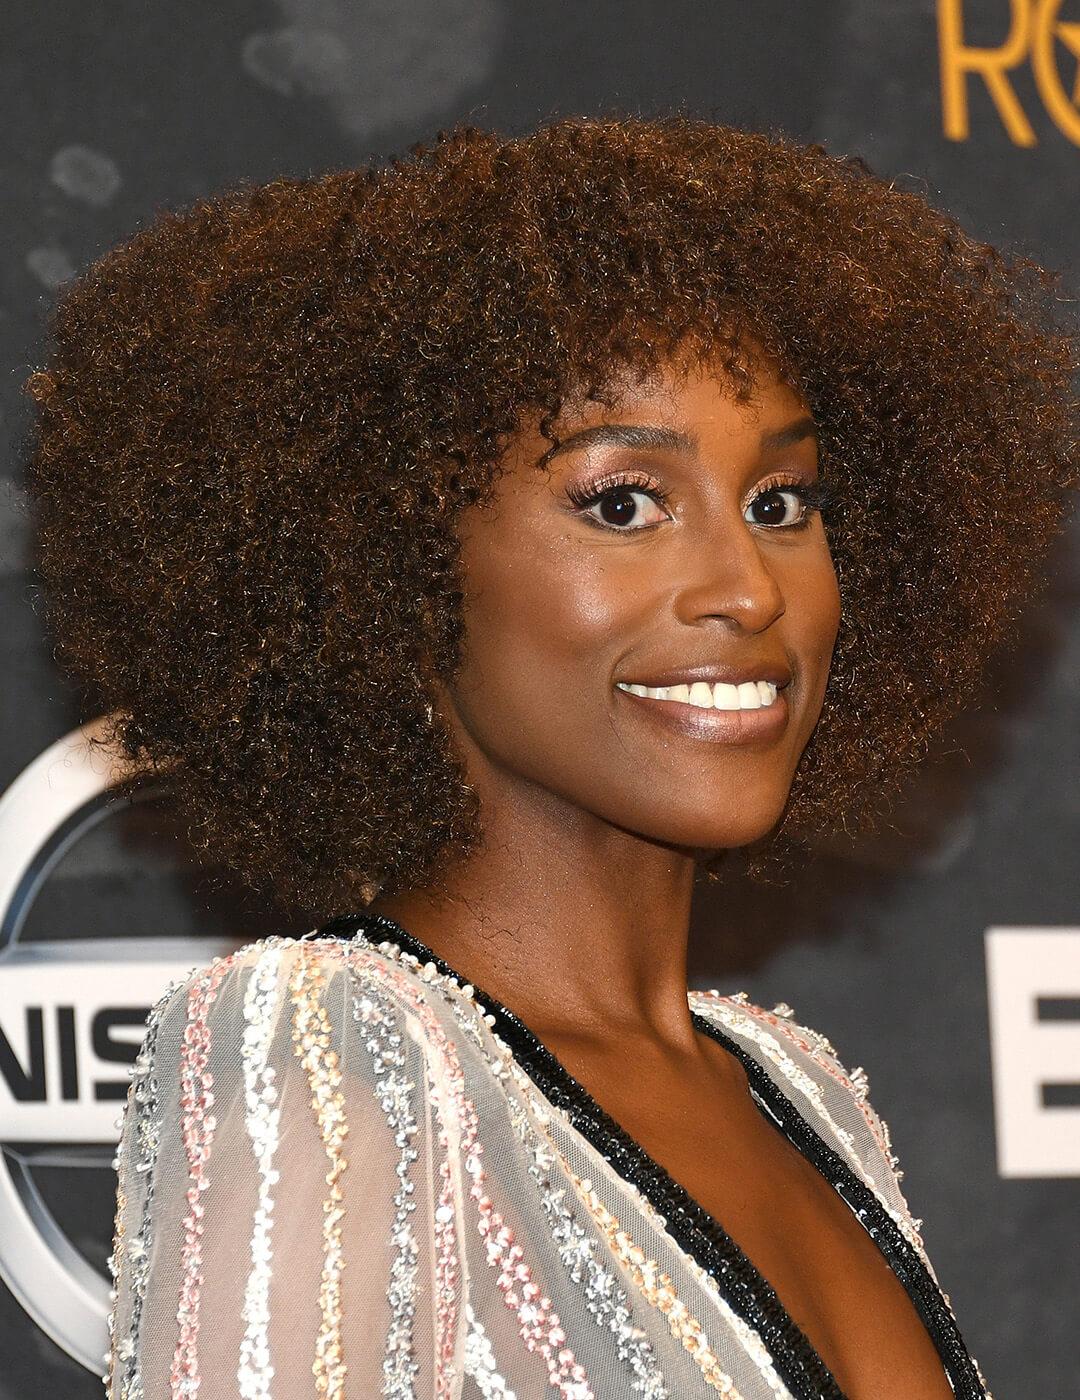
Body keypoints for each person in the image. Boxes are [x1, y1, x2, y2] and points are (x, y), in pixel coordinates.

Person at [24, 115, 1077, 1399]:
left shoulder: (800, 1089)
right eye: (624, 502)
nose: (747, 587)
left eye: (781, 502)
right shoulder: (333, 1047)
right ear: (391, 564)